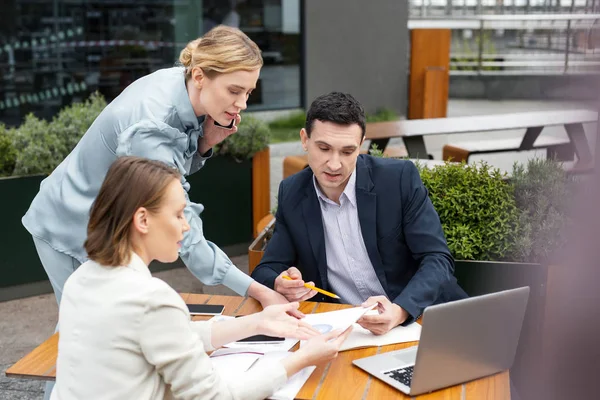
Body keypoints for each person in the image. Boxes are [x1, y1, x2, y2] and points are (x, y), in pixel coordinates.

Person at [22, 26, 286, 310]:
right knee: (84, 329)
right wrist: (256, 289)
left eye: (248, 92)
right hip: (72, 223)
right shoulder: (153, 126)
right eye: (234, 90)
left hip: (104, 223)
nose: (242, 104)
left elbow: (168, 171)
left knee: (102, 330)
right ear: (200, 76)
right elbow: (184, 227)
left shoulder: (184, 85)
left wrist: (204, 143)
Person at [50, 156, 351, 400]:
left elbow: (168, 337)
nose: (186, 227)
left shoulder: (83, 279)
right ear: (142, 220)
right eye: (179, 215)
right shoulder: (151, 299)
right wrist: (302, 359)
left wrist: (257, 323)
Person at [251, 92, 467, 335]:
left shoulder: (398, 179)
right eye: (324, 148)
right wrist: (280, 282)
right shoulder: (293, 192)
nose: (334, 164)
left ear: (362, 145)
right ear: (305, 140)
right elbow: (265, 269)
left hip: (420, 318)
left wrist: (400, 310)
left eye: (347, 151)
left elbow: (437, 259)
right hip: (348, 328)